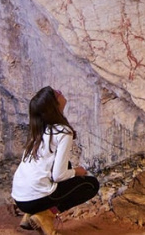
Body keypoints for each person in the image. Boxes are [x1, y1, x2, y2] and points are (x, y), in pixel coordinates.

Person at [11, 86, 99, 235]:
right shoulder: (63, 131)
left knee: (68, 165)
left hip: (20, 199)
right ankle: (46, 215)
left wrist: (71, 170)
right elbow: (58, 176)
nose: (59, 92)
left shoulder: (39, 129)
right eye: (55, 93)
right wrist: (77, 171)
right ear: (54, 104)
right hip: (35, 198)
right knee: (90, 184)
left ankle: (28, 216)